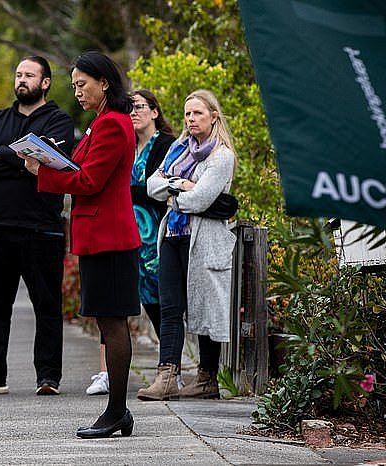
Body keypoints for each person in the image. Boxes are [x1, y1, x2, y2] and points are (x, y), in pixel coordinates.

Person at [20, 51, 140, 438]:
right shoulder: (100, 123)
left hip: (111, 237)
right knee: (108, 322)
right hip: (98, 236)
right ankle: (117, 411)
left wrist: (43, 172)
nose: (77, 93)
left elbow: (89, 182)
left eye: (82, 85)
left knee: (113, 323)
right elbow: (80, 170)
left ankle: (118, 411)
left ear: (104, 82)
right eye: (72, 86)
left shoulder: (113, 125)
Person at [0, 56, 74, 397]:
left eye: (29, 75)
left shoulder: (59, 120)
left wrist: (3, 156)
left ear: (45, 83)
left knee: (47, 307)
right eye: (18, 74)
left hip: (42, 228)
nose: (21, 80)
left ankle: (48, 377)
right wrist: (19, 158)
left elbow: (51, 161)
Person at [137, 89, 237, 401]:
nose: (191, 119)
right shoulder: (179, 148)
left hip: (204, 240)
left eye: (197, 113)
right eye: (187, 114)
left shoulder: (221, 156)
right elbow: (152, 185)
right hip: (172, 237)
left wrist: (175, 193)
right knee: (170, 307)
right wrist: (181, 186)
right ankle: (167, 375)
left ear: (213, 116)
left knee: (206, 307)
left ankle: (207, 377)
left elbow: (202, 199)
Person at [85, 90, 176, 396]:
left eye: (140, 107)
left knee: (155, 301)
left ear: (155, 111)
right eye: (130, 107)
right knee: (112, 308)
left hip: (152, 235)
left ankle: (169, 368)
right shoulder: (127, 142)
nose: (133, 112)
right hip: (122, 231)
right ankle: (106, 372)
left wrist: (126, 190)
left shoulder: (164, 145)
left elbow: (157, 189)